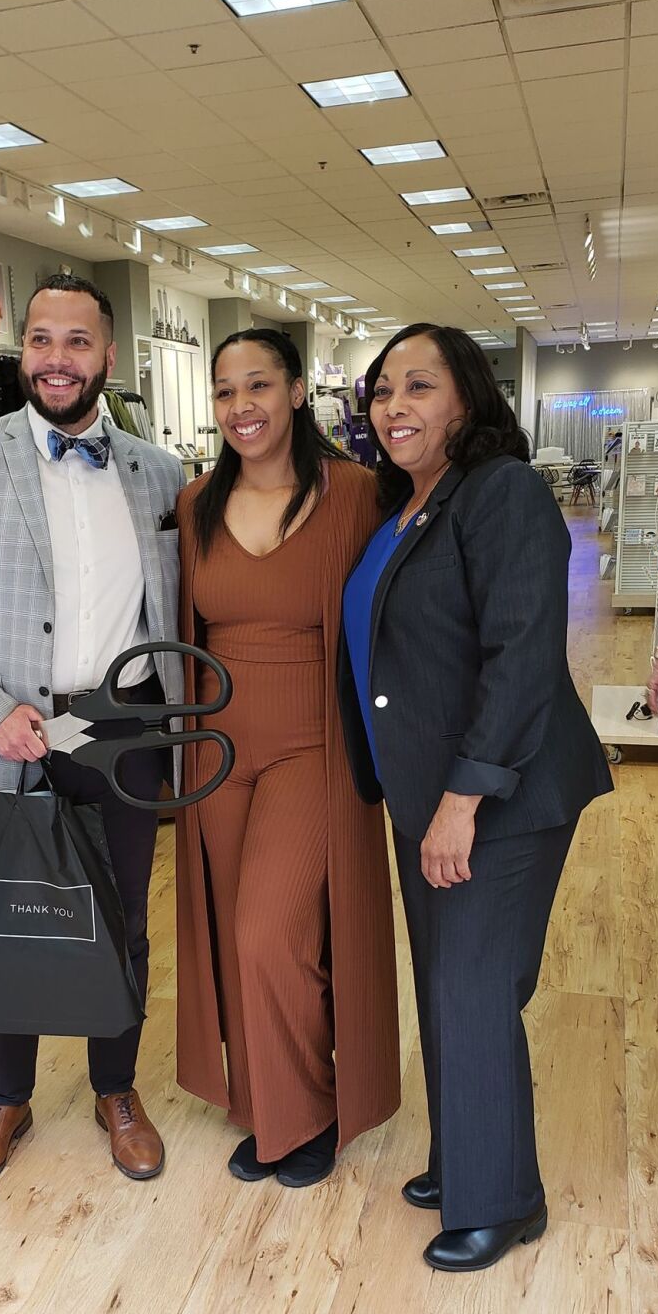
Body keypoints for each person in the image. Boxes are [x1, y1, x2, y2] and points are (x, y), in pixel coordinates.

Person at [0, 274, 184, 1193]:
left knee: (124, 917)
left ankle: (116, 1089)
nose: (57, 358)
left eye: (77, 341)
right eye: (41, 340)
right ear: (21, 351)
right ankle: (4, 1097)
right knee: (9, 915)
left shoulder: (158, 472)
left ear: (109, 356)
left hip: (126, 727)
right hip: (11, 727)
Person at [339, 324, 613, 1271]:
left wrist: (464, 798)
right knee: (445, 980)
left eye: (420, 385)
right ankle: (464, 1157)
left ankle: (504, 1199)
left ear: (468, 400)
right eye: (382, 390)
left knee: (473, 982)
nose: (395, 405)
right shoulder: (406, 504)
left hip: (503, 789)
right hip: (425, 791)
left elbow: (523, 653)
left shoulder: (502, 495)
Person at [176, 330, 400, 1189]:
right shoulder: (195, 501)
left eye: (259, 385)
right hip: (214, 742)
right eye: (226, 391)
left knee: (272, 928)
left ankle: (310, 1106)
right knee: (239, 937)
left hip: (316, 738)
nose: (242, 407)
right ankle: (267, 1102)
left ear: (299, 390)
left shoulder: (355, 492)